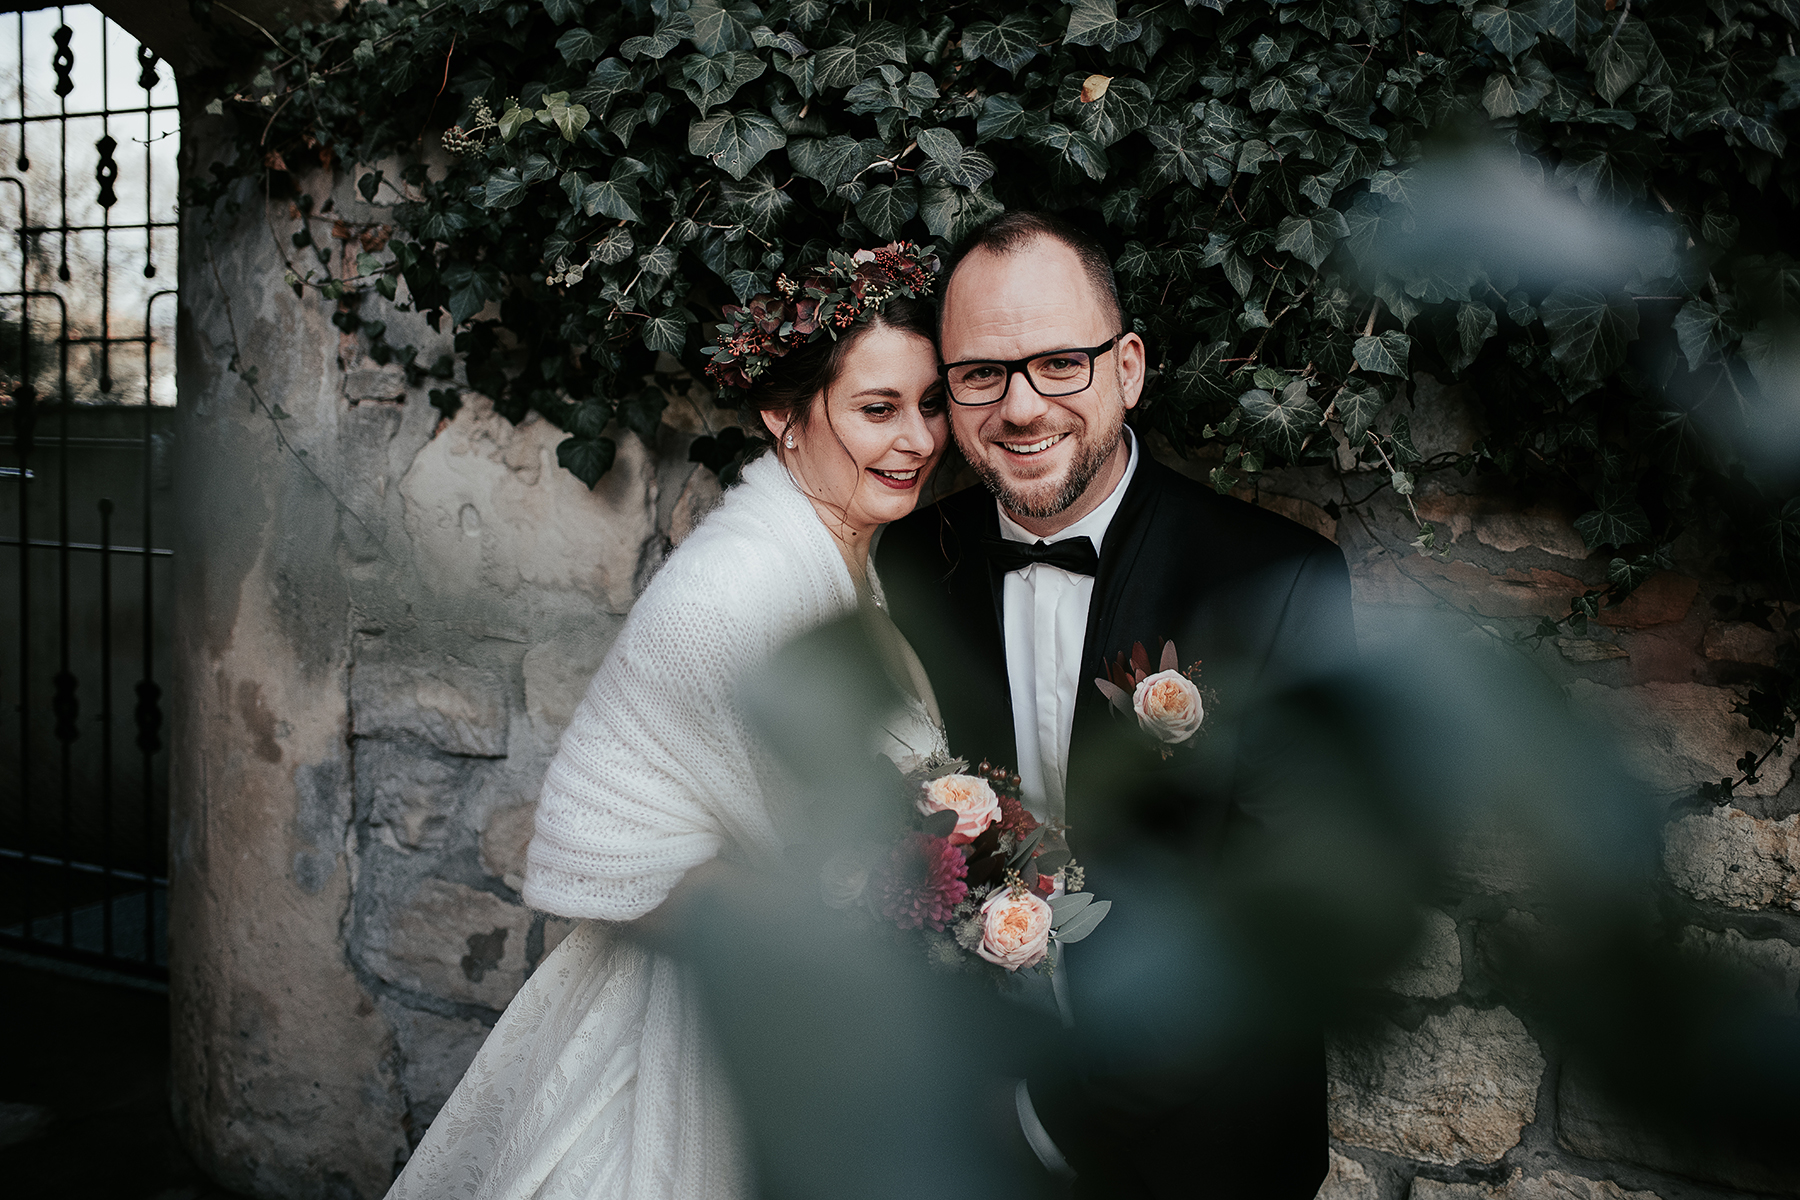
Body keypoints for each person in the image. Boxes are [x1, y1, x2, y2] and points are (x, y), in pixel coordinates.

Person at [384, 243, 951, 1200]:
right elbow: (615, 846)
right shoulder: (733, 589)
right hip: (703, 1022)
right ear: (783, 416)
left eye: (930, 404)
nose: (919, 439)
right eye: (878, 409)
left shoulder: (848, 560)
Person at [878, 212, 1355, 1199]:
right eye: (981, 373)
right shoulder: (908, 565)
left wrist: (1058, 1118)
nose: (1020, 408)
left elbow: (1291, 914)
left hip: (1204, 1147)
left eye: (1061, 363)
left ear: (1128, 367)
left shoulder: (1277, 582)